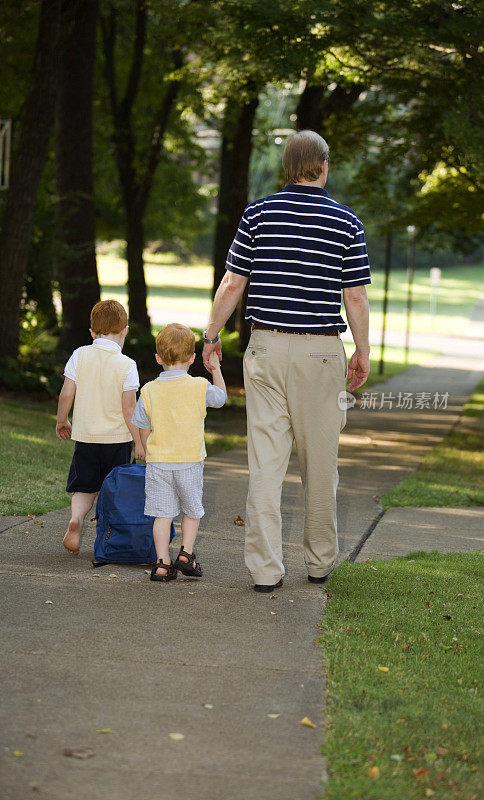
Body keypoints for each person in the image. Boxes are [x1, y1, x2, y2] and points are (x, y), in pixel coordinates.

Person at [202, 129, 371, 592]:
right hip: (321, 353)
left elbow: (233, 283)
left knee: (266, 464)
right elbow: (353, 297)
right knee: (321, 465)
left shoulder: (258, 213)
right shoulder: (345, 222)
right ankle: (318, 564)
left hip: (267, 349)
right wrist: (362, 350)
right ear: (323, 166)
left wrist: (210, 335)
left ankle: (264, 570)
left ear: (287, 168)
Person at [131, 323, 226, 583]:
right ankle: (186, 554)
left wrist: (143, 447)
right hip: (190, 461)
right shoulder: (198, 386)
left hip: (159, 463)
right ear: (193, 358)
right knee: (192, 510)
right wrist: (216, 370)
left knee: (163, 514)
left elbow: (141, 424)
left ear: (158, 358)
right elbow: (221, 399)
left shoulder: (149, 390)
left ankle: (162, 564)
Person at [56, 299, 143, 555]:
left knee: (85, 487)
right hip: (117, 440)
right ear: (125, 330)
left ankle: (77, 520)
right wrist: (139, 442)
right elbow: (129, 410)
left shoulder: (79, 355)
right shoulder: (127, 365)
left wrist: (62, 420)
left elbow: (66, 393)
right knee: (114, 489)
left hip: (86, 438)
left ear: (92, 332)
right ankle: (108, 538)